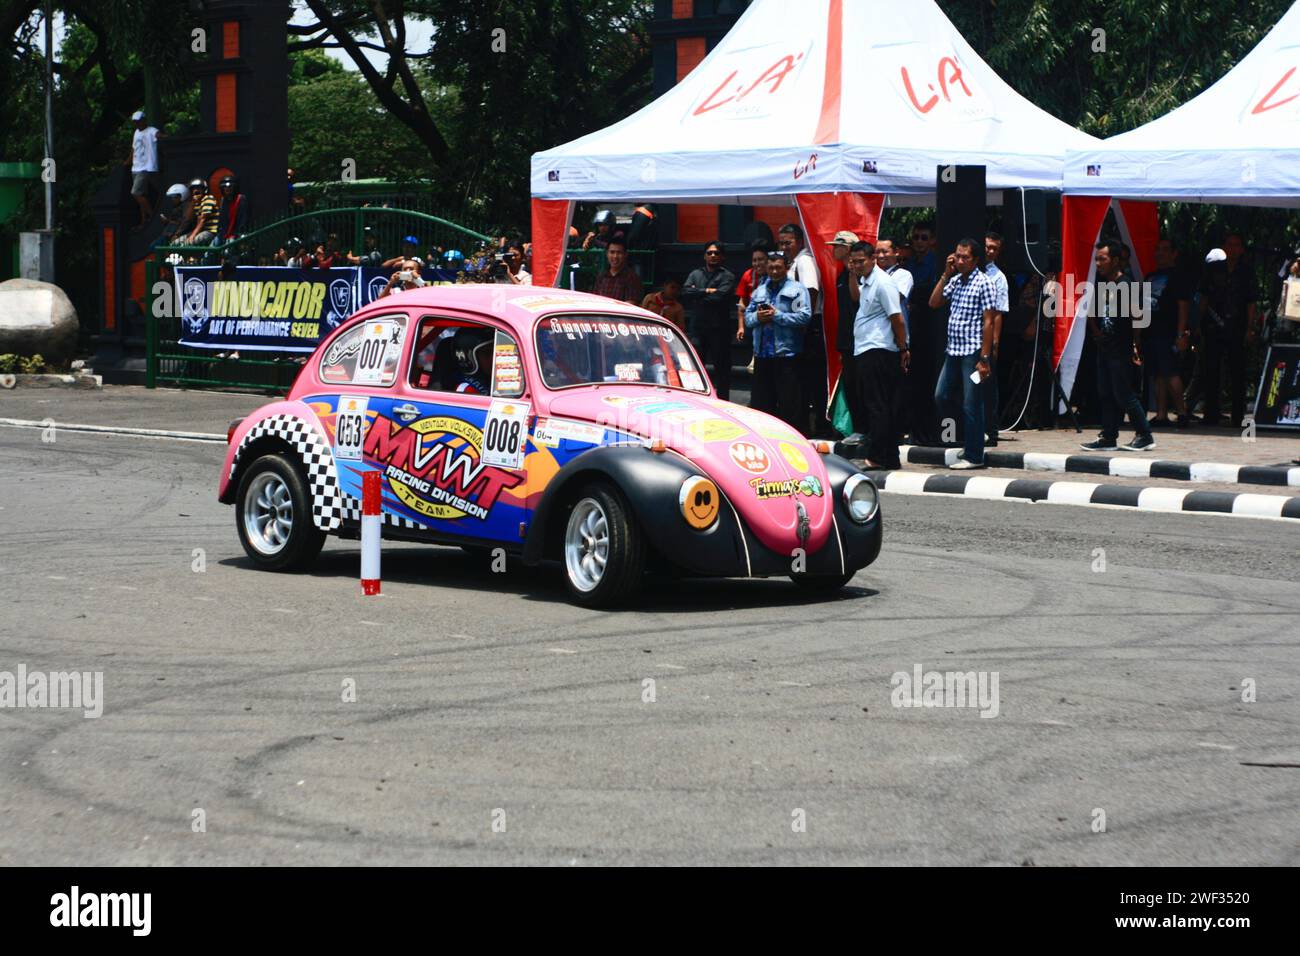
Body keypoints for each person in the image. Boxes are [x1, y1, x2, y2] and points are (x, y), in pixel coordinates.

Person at [927, 238, 997, 468]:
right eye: (957, 255)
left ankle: (974, 455)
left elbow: (989, 322)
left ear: (975, 260)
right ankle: (975, 431)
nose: (959, 260)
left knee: (971, 403)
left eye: (965, 257)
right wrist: (945, 274)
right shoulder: (955, 280)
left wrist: (985, 358)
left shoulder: (984, 282)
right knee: (941, 396)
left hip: (973, 351)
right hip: (953, 350)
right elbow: (934, 302)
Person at [1081, 240, 1155, 452]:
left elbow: (1139, 316)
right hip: (1105, 347)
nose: (1098, 263)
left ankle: (1145, 434)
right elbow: (1091, 310)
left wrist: (1135, 343)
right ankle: (1108, 436)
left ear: (1115, 260)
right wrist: (1096, 334)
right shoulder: (1103, 284)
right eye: (1096, 259)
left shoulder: (1126, 284)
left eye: (1102, 259)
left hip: (1121, 348)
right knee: (1105, 392)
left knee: (1123, 393)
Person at [851, 240, 908, 469]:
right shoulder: (866, 281)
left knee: (878, 405)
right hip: (867, 348)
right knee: (880, 404)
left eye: (860, 261)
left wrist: (903, 348)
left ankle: (878, 456)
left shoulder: (883, 283)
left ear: (872, 259)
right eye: (853, 262)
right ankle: (889, 456)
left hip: (879, 349)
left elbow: (897, 318)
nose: (856, 265)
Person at [1198, 232, 1259, 427]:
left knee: (1237, 371)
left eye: (1236, 245)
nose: (1233, 248)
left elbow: (1251, 302)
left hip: (1237, 325)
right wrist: (1198, 324)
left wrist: (1250, 328)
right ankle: (1211, 414)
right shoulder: (1213, 269)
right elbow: (1204, 296)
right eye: (1229, 245)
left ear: (1241, 249)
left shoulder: (1247, 271)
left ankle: (1237, 416)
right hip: (1213, 324)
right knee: (1211, 369)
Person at [745, 249, 810, 430]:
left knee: (790, 404)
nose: (774, 271)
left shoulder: (797, 290)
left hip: (786, 355)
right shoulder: (759, 290)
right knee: (762, 404)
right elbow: (748, 318)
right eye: (771, 267)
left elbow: (804, 317)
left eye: (778, 268)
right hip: (762, 355)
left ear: (786, 268)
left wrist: (777, 316)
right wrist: (758, 318)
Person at [779, 223, 826, 435]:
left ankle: (819, 428)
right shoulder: (791, 263)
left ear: (799, 242)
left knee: (813, 379)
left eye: (788, 243)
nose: (784, 247)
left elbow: (811, 292)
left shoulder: (805, 261)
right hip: (795, 325)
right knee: (801, 380)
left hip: (809, 326)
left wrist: (804, 325)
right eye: (781, 243)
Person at [1144, 238, 1193, 428]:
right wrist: (1139, 334)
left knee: (1171, 372)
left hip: (1169, 332)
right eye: (1157, 249)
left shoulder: (1179, 276)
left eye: (1165, 250)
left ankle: (1181, 413)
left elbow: (1183, 306)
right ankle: (1161, 414)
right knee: (1157, 374)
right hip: (1151, 330)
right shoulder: (1150, 277)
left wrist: (1181, 334)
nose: (1160, 253)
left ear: (1174, 254)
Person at [680, 241, 738, 399]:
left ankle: (724, 402)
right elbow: (685, 292)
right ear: (704, 255)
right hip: (698, 328)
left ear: (723, 256)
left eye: (717, 253)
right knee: (696, 368)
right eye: (710, 253)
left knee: (722, 370)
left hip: (719, 329)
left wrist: (697, 295)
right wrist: (706, 290)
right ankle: (696, 400)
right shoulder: (695, 274)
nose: (713, 255)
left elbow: (720, 297)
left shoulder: (728, 276)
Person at [828, 231, 866, 440]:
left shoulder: (859, 274)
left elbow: (857, 301)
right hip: (846, 339)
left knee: (861, 386)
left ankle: (864, 430)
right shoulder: (841, 274)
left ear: (849, 249)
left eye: (838, 245)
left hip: (861, 339)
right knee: (851, 385)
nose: (834, 249)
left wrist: (853, 273)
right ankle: (857, 428)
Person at [906, 220, 941, 443]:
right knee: (912, 386)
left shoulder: (935, 264)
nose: (919, 242)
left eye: (924, 237)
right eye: (916, 237)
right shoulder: (908, 264)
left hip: (929, 331)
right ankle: (915, 431)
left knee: (929, 385)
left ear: (932, 241)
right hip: (911, 331)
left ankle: (927, 433)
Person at [982, 231, 1011, 446]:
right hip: (968, 338)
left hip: (987, 337)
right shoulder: (970, 271)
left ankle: (990, 432)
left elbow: (999, 313)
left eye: (994, 248)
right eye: (987, 246)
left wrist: (995, 342)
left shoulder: (998, 277)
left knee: (987, 386)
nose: (990, 251)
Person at [125, 110, 162, 229]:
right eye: (135, 122)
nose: (137, 124)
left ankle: (152, 217)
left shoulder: (151, 130)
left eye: (139, 121)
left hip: (146, 167)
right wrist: (128, 161)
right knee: (142, 195)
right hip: (136, 167)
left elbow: (159, 135)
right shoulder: (136, 132)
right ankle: (144, 221)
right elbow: (133, 148)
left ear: (144, 120)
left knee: (135, 193)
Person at [734, 241, 771, 343]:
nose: (757, 263)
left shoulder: (775, 275)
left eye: (760, 260)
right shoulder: (748, 275)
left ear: (768, 260)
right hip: (753, 320)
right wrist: (741, 327)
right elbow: (742, 303)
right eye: (754, 260)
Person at [592, 236, 643, 304]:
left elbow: (632, 303)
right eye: (612, 252)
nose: (615, 256)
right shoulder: (602, 276)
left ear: (625, 254)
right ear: (607, 254)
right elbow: (595, 299)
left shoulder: (631, 277)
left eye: (619, 253)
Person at [215, 175, 248, 244]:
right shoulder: (223, 200)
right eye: (225, 187)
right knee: (210, 250)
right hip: (223, 234)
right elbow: (222, 218)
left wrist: (237, 234)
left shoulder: (241, 199)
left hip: (235, 234)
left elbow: (243, 219)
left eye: (230, 187)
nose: (227, 189)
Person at [186, 178, 218, 247]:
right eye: (193, 188)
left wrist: (193, 235)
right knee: (178, 242)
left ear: (204, 190)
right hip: (202, 231)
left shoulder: (208, 199)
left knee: (191, 242)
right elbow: (191, 219)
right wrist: (193, 202)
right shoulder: (197, 203)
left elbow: (203, 219)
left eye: (198, 188)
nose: (196, 190)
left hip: (211, 231)